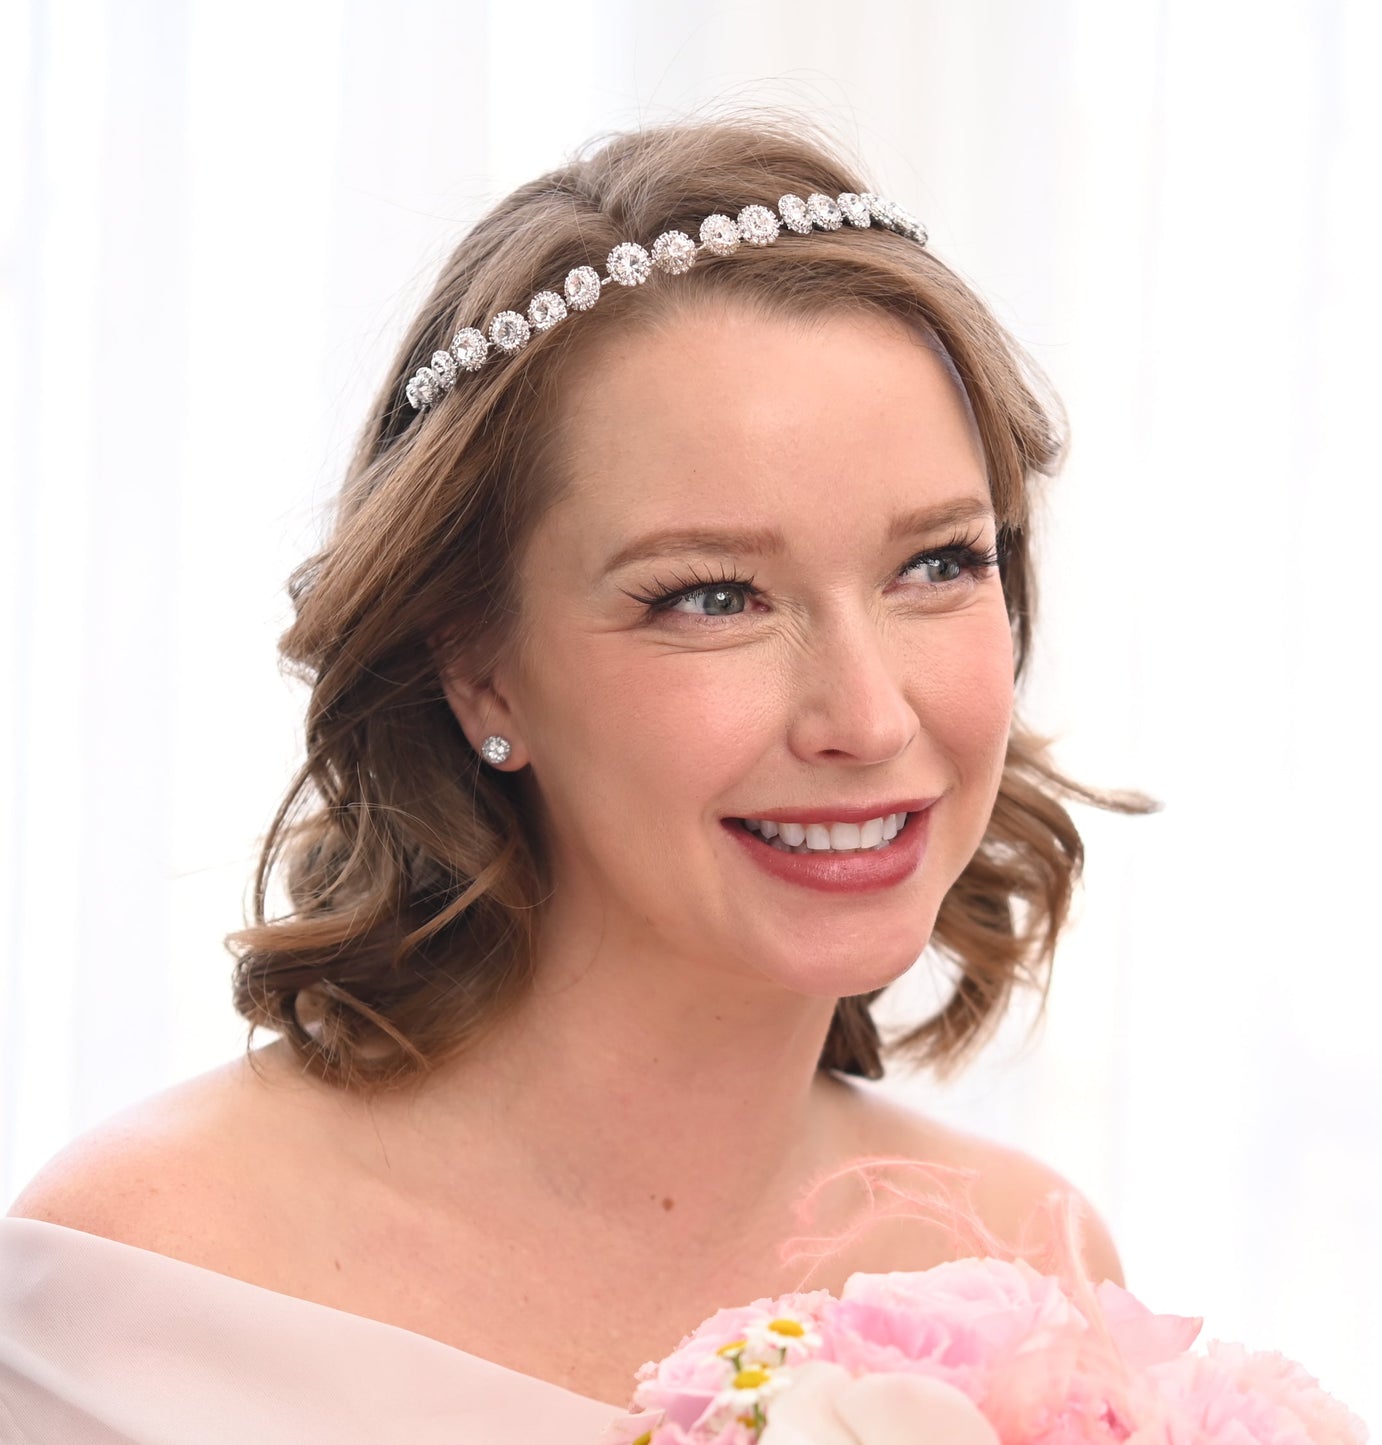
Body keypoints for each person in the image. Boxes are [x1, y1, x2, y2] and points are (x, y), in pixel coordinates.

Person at [1, 112, 1149, 1444]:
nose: (866, 714)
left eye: (938, 564)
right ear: (482, 670)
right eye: (712, 595)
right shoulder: (151, 1270)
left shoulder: (1026, 1273)